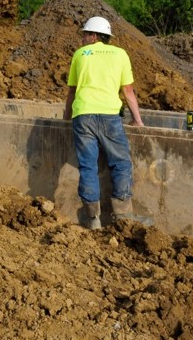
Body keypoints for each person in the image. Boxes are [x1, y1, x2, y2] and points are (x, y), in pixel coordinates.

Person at [63, 16, 152, 229]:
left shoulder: (79, 55)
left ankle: (92, 217)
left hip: (83, 115)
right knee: (120, 163)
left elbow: (72, 91)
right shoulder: (120, 54)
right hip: (109, 116)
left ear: (94, 36)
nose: (83, 38)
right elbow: (127, 90)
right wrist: (138, 120)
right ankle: (123, 215)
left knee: (87, 165)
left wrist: (67, 116)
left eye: (85, 34)